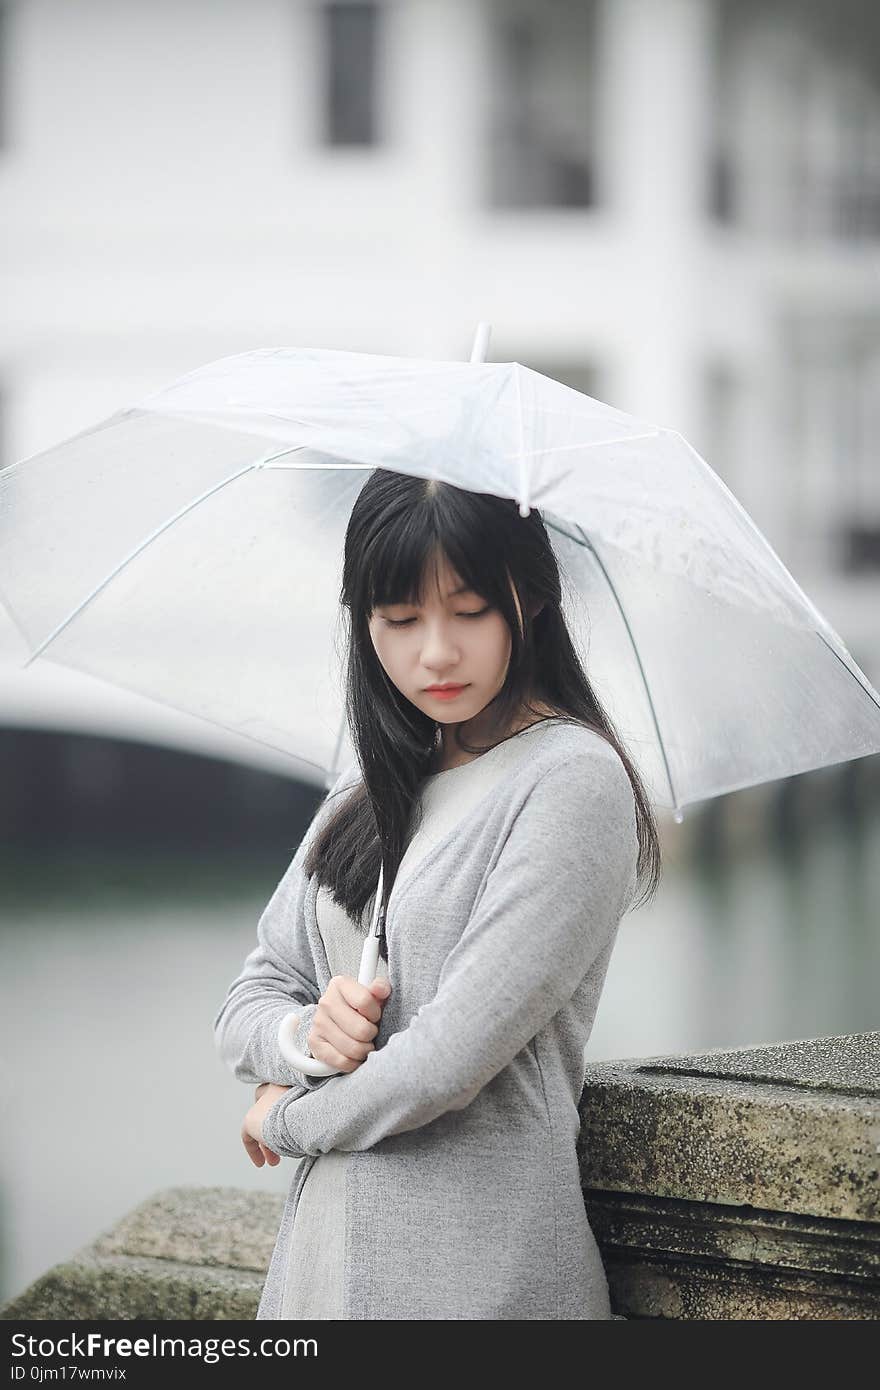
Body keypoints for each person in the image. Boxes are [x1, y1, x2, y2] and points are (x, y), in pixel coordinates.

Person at [212, 468, 661, 1320]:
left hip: (477, 1280)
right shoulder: (369, 783)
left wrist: (283, 1120)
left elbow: (446, 1063)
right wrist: (304, 1037)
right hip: (319, 1276)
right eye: (401, 618)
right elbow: (250, 996)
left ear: (529, 598)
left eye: (469, 610)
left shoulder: (569, 782)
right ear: (364, 622)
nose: (436, 653)